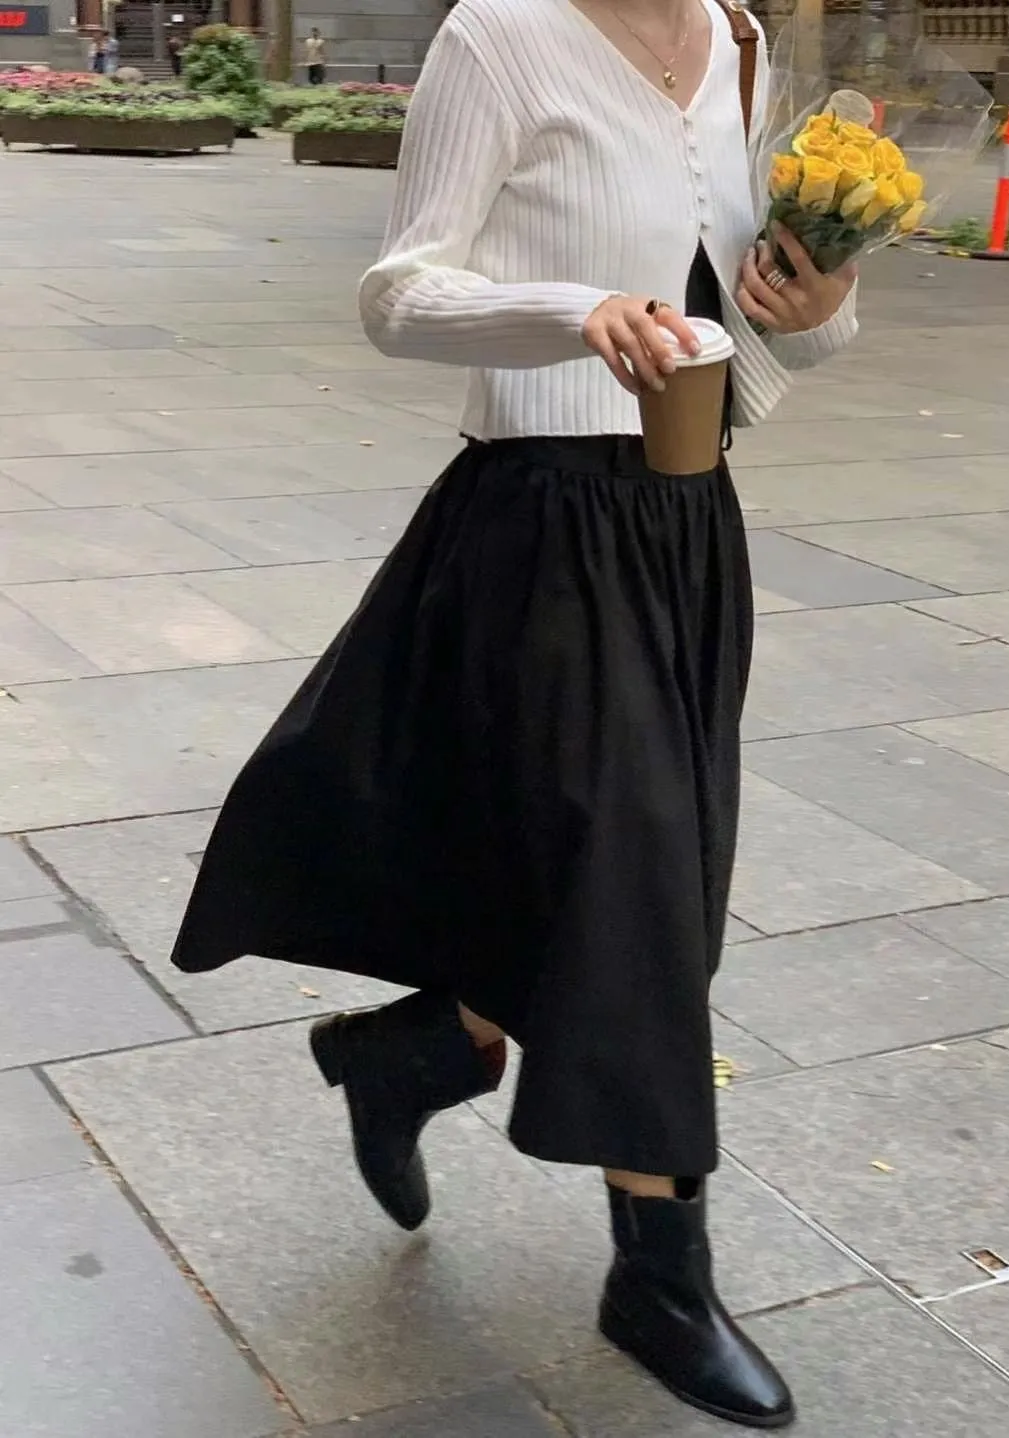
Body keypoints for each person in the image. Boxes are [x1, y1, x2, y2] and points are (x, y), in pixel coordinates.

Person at [172, 0, 856, 1425]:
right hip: (539, 528)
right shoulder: (500, 35)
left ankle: (421, 1052)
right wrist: (570, 311)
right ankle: (658, 1274)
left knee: (658, 885)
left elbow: (744, 322)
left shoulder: (733, 38)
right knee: (639, 877)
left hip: (688, 525)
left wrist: (820, 309)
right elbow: (398, 295)